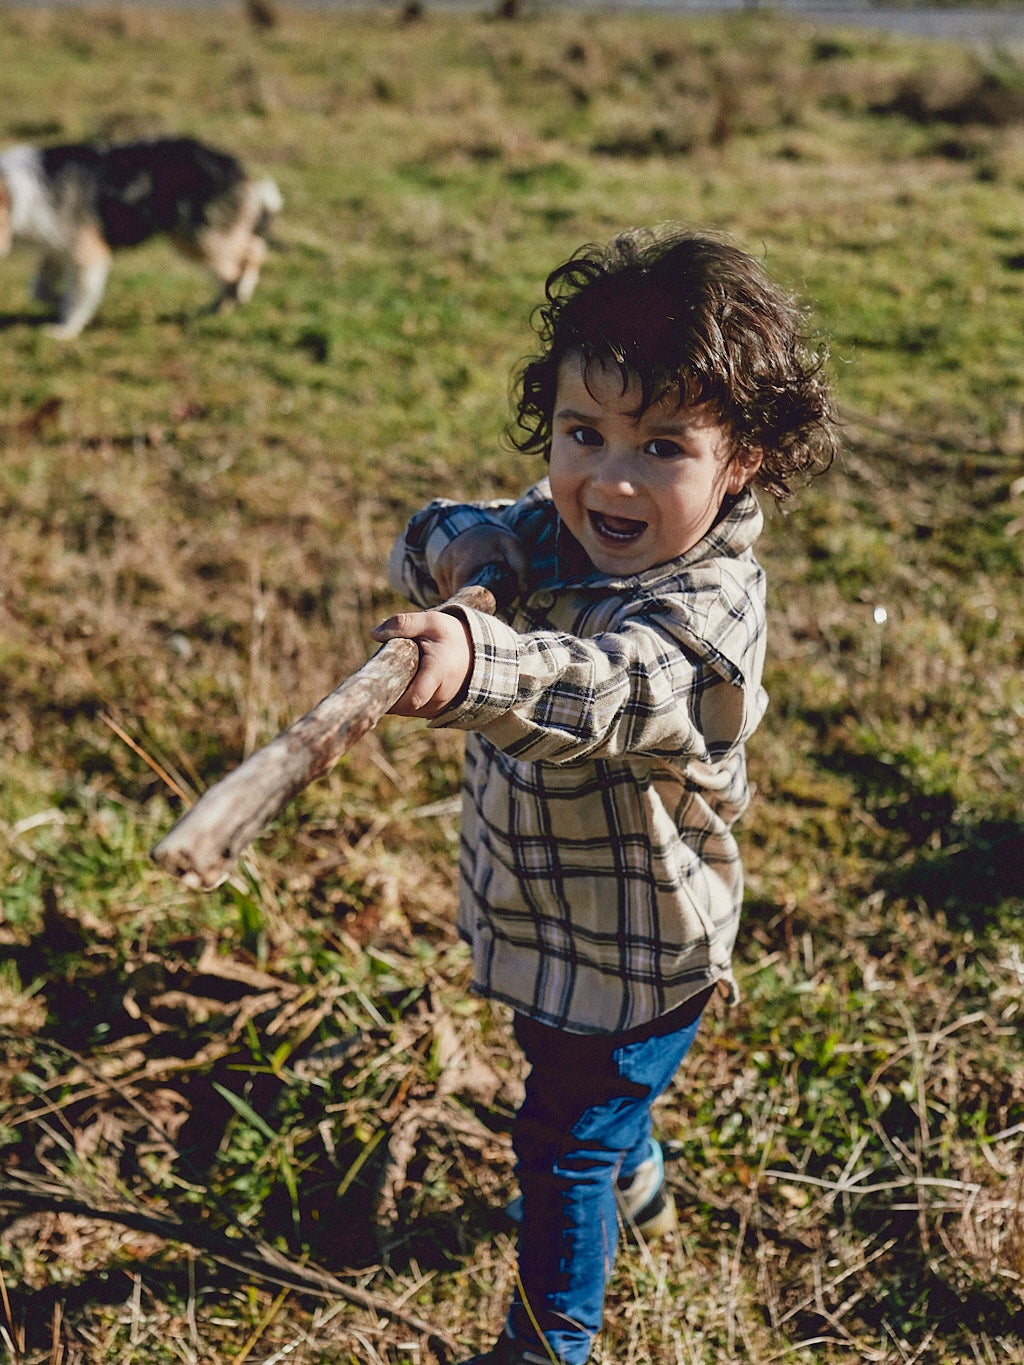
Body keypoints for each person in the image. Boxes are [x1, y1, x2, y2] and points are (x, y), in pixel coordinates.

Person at [371, 226, 839, 1365]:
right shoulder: (559, 524)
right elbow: (432, 531)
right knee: (569, 1087)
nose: (610, 479)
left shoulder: (707, 608)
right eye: (584, 434)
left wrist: (482, 666)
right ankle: (637, 1176)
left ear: (745, 462)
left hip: (641, 957)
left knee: (560, 1142)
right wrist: (471, 552)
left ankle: (552, 1343)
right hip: (544, 924)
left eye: (663, 447)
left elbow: (607, 691)